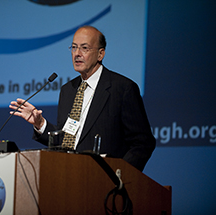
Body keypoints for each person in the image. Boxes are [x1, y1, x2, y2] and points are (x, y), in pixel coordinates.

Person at [9, 26, 156, 171]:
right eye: (74, 47)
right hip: (67, 176)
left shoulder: (122, 89)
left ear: (100, 54)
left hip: (102, 181)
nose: (77, 54)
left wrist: (119, 176)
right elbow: (65, 141)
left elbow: (143, 143)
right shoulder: (68, 90)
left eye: (84, 48)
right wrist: (40, 123)